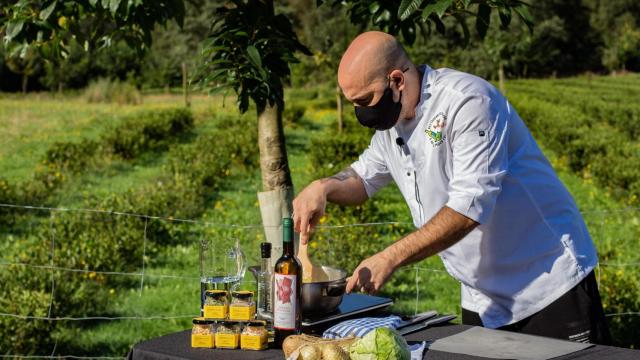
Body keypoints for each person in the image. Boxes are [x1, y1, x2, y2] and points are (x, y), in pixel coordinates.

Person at [292, 31, 611, 344]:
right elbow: (361, 179)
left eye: (365, 100)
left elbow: (470, 208)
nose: (361, 112)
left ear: (397, 81)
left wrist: (390, 256)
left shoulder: (469, 101)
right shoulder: (391, 127)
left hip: (546, 283)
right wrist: (323, 187)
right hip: (481, 297)